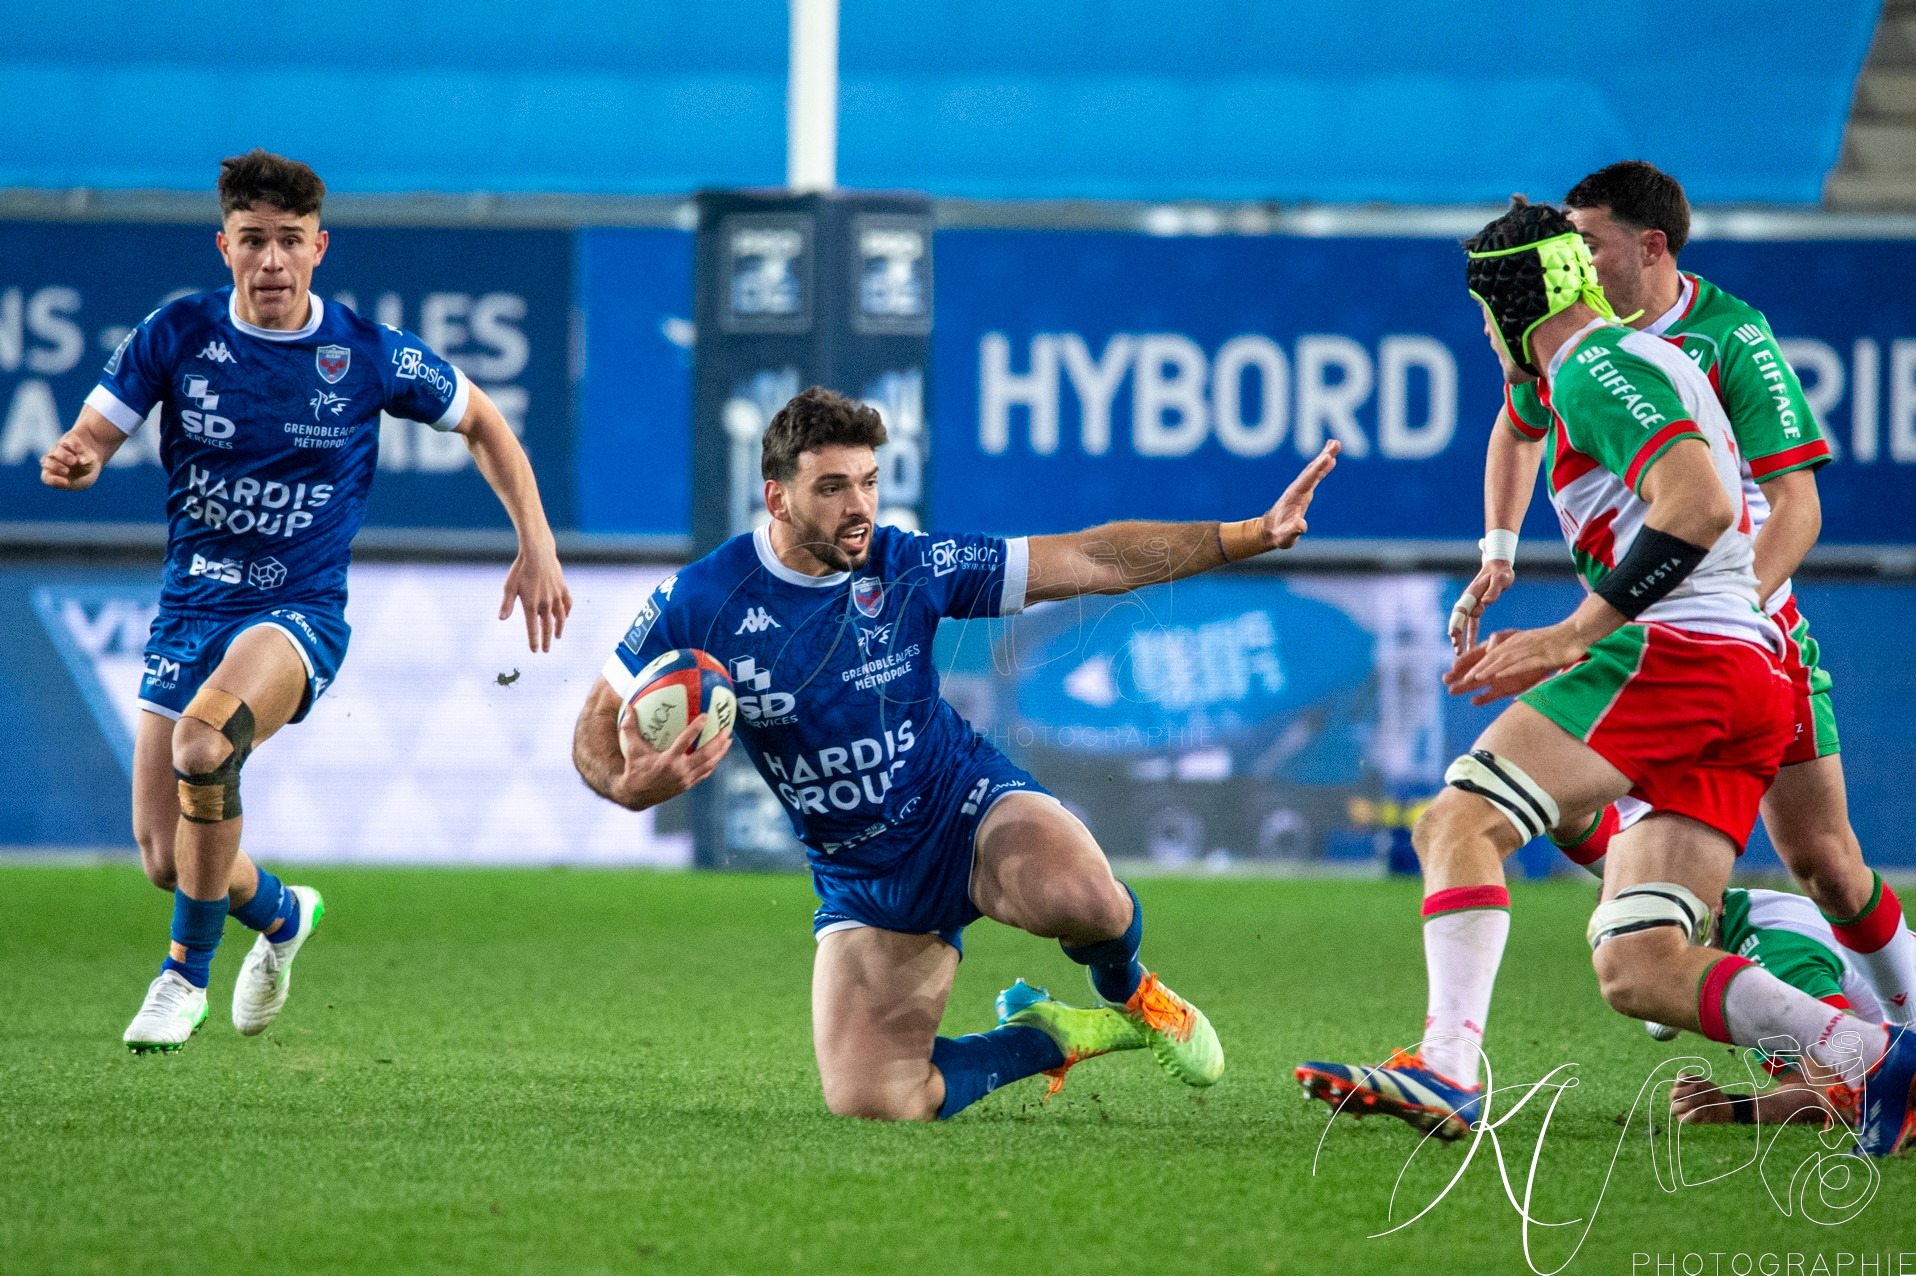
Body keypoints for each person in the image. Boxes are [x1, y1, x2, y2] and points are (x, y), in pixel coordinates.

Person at [1296, 198, 1915, 1158]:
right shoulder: (1619, 362)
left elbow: (1703, 504)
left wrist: (1575, 631)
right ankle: (1877, 1059)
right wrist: (1505, 555)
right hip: (1747, 676)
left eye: (1483, 305)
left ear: (1514, 299)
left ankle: (1448, 1067)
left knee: (1459, 820)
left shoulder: (1592, 367)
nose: (1484, 327)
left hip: (1686, 654)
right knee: (1642, 965)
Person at [574, 385, 1339, 1120]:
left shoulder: (908, 565)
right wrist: (629, 783)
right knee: (875, 1101)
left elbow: (1092, 559)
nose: (860, 507)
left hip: (963, 810)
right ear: (778, 498)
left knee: (1088, 902)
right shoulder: (702, 600)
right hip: (863, 879)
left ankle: (1131, 994)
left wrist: (1244, 537)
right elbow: (595, 728)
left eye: (869, 482)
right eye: (834, 487)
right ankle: (1046, 1037)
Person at [39, 149, 572, 1053]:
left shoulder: (365, 354)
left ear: (320, 247)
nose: (273, 262)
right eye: (254, 242)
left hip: (300, 614)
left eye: (291, 242)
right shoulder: (177, 333)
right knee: (167, 857)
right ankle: (282, 915)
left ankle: (181, 978)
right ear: (225, 245)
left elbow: (483, 420)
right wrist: (81, 455)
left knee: (204, 744)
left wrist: (537, 542)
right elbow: (95, 428)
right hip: (190, 610)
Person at [1449, 161, 1916, 1025]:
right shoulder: (1565, 343)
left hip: (1736, 634)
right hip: (1654, 629)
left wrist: (1731, 611)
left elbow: (1796, 508)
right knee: (1556, 808)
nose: (1576, 261)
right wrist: (1501, 549)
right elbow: (1517, 426)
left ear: (1650, 246)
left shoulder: (1729, 335)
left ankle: (1876, 1017)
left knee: (1823, 860)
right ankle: (1739, 969)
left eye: (1588, 243)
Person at [1664, 886, 1910, 1130]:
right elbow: (1815, 1090)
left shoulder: (1766, 955)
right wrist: (1732, 1107)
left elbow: (1842, 1096)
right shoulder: (1744, 923)